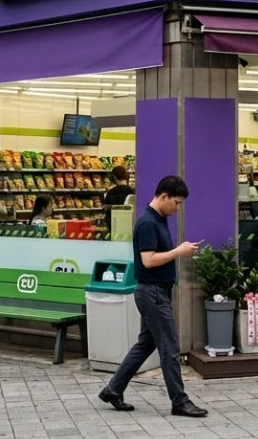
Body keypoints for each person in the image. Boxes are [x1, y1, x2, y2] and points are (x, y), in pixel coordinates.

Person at [99, 176, 207, 418]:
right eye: (176, 203)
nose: (177, 208)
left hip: (155, 292)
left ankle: (113, 390)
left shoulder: (158, 219)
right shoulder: (148, 223)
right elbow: (148, 260)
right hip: (153, 293)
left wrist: (178, 250)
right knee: (170, 348)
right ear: (164, 196)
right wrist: (178, 251)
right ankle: (180, 401)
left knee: (145, 344)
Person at [103, 166, 135, 234]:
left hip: (114, 225)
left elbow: (106, 210)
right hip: (128, 225)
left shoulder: (111, 193)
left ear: (114, 177)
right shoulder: (131, 191)